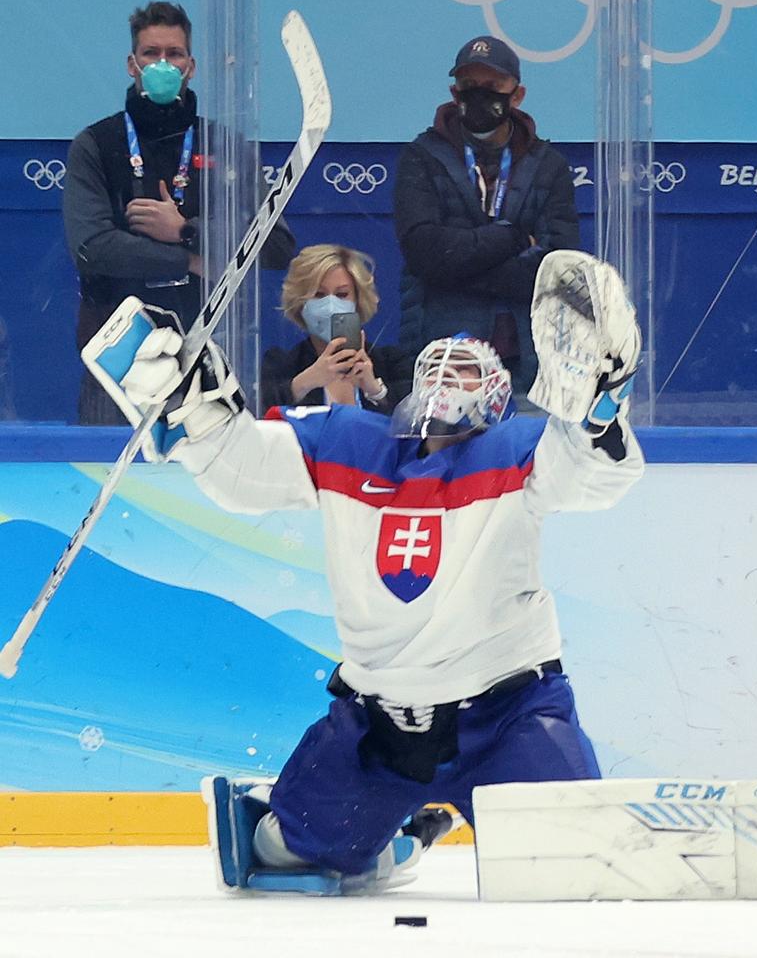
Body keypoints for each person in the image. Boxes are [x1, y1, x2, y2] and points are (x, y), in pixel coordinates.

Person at [100, 249, 643, 895]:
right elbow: (241, 471)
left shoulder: (519, 449)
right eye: (440, 363)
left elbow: (597, 473)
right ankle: (399, 827)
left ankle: (417, 816)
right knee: (280, 853)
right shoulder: (350, 439)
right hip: (379, 728)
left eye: (470, 369)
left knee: (582, 870)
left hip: (507, 719)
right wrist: (194, 409)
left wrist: (601, 404)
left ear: (498, 395)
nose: (451, 375)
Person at [62, 0, 295, 425]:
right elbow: (91, 248)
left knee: (212, 486)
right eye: (151, 54)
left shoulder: (226, 145)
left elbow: (277, 246)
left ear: (191, 66)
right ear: (132, 65)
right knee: (108, 475)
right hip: (118, 353)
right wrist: (187, 259)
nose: (163, 64)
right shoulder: (96, 143)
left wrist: (188, 231)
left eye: (174, 54)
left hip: (210, 348)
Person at [394, 34, 580, 395]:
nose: (479, 95)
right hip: (444, 358)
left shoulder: (549, 166)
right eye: (469, 86)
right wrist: (511, 239)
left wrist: (459, 268)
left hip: (527, 358)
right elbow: (424, 251)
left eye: (492, 86)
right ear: (454, 93)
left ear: (517, 94)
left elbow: (559, 265)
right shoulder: (421, 157)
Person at [260, 244, 412, 415]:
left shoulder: (391, 363)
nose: (330, 305)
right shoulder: (280, 366)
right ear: (300, 302)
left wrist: (375, 390)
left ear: (358, 301)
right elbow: (259, 414)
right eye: (319, 294)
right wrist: (305, 382)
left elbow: (413, 421)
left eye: (342, 295)